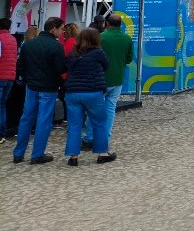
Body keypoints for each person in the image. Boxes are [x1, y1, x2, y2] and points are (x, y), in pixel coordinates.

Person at [12, 16, 66, 164]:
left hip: (32, 86)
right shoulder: (56, 46)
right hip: (48, 88)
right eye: (61, 29)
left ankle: (18, 153)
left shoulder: (28, 45)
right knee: (44, 120)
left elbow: (20, 67)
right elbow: (61, 68)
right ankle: (37, 154)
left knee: (26, 118)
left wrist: (28, 79)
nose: (62, 32)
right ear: (53, 29)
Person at [63, 27, 116, 165]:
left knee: (74, 125)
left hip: (73, 92)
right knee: (99, 122)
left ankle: (73, 157)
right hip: (93, 92)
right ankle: (102, 153)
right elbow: (106, 66)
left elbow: (67, 67)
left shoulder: (73, 53)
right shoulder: (98, 52)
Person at [81, 13, 132, 151]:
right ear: (120, 24)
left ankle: (89, 138)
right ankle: (104, 140)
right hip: (117, 79)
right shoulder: (127, 39)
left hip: (100, 80)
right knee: (110, 110)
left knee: (93, 110)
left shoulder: (101, 37)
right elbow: (128, 59)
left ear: (107, 24)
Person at [0, 18, 16, 141]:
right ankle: (2, 132)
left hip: (0, 76)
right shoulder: (13, 39)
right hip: (10, 77)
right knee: (2, 105)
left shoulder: (0, 38)